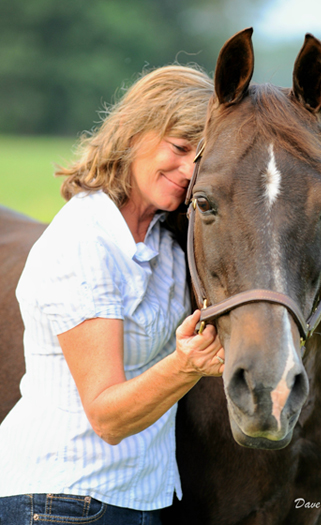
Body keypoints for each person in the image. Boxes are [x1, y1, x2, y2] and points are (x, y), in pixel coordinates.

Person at [0, 65, 224, 524]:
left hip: (136, 499)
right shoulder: (86, 242)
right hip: (62, 501)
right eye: (179, 148)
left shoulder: (164, 237)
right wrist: (186, 365)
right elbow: (107, 417)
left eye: (201, 159)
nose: (188, 171)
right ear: (135, 133)